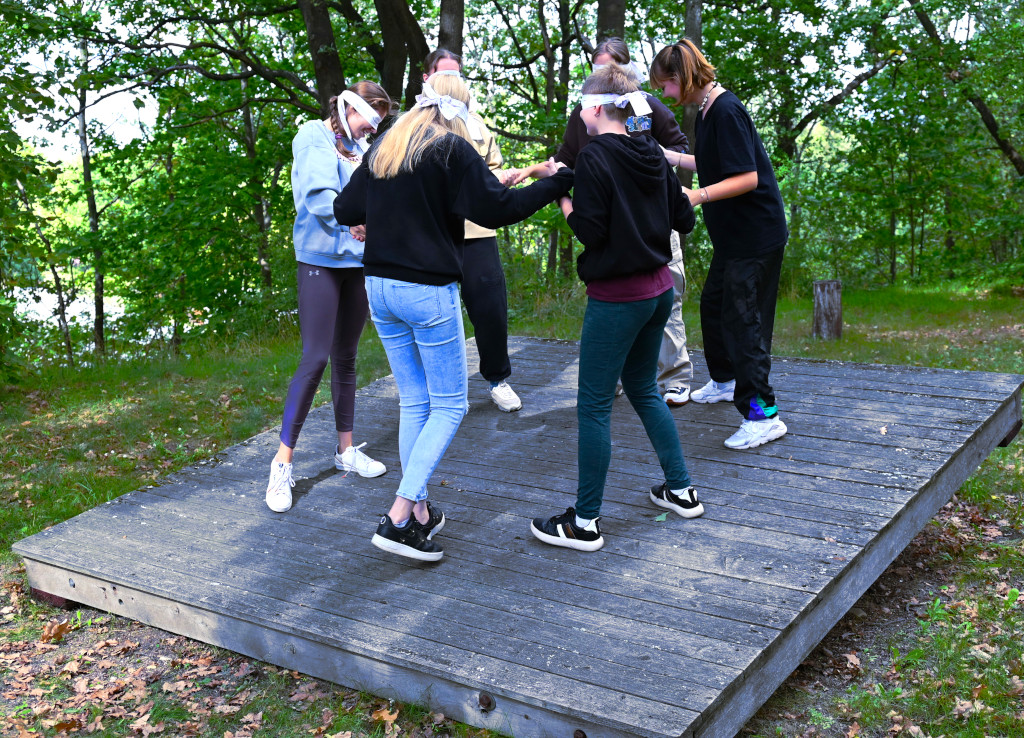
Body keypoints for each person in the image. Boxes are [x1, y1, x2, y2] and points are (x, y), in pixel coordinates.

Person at [333, 73, 573, 562]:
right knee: (449, 405)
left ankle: (419, 512)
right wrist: (557, 182)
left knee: (415, 402)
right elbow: (499, 209)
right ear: (461, 110)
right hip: (425, 291)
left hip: (379, 288)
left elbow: (344, 208)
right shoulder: (452, 149)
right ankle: (399, 516)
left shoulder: (387, 144)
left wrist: (381, 216)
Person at [530, 64, 703, 554]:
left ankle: (584, 522)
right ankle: (681, 490)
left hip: (619, 299)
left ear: (596, 109)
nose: (578, 114)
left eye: (581, 105)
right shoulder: (650, 150)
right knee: (645, 388)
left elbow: (590, 230)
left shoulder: (594, 158)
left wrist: (562, 197)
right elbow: (684, 218)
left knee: (594, 405)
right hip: (658, 291)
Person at [514, 38, 695, 407]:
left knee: (667, 299)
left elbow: (680, 152)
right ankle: (612, 376)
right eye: (598, 67)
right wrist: (534, 172)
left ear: (625, 71)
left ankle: (674, 377)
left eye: (610, 67)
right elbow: (565, 160)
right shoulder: (586, 112)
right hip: (609, 223)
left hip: (653, 221)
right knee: (616, 306)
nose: (603, 73)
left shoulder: (647, 108)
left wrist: (655, 168)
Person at [650, 39, 788, 450]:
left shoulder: (726, 110)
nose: (665, 94)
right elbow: (715, 163)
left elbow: (747, 177)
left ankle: (764, 416)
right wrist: (670, 157)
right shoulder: (708, 109)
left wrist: (698, 195)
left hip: (755, 237)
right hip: (733, 239)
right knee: (714, 306)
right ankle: (726, 381)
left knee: (744, 323)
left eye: (666, 85)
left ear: (682, 77)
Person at [265, 81, 395, 514]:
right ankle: (282, 463)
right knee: (315, 357)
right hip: (320, 261)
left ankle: (345, 450)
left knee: (347, 356)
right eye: (369, 120)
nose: (372, 130)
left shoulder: (361, 148)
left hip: (357, 264)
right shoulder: (312, 135)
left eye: (377, 124)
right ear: (348, 108)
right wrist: (352, 221)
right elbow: (319, 197)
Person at [422, 49, 523, 413]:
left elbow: (493, 170)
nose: (453, 84)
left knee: (490, 308)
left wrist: (501, 180)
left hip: (477, 233)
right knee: (433, 313)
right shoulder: (413, 128)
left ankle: (497, 379)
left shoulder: (477, 125)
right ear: (427, 80)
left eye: (458, 76)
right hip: (432, 235)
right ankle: (437, 390)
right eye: (445, 76)